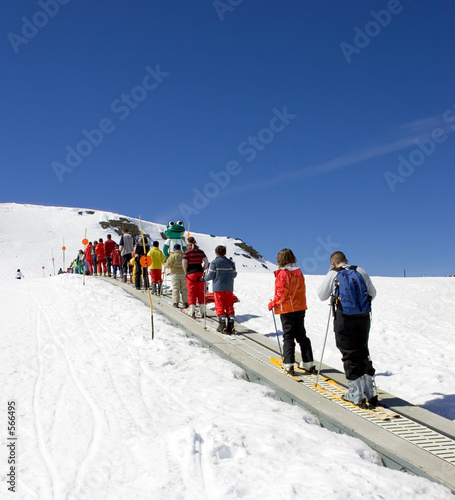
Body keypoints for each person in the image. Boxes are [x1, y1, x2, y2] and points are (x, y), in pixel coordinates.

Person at [318, 251, 377, 406]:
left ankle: (355, 393)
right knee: (362, 349)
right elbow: (373, 293)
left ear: (332, 263)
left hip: (344, 317)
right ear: (346, 260)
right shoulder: (359, 270)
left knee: (349, 351)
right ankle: (370, 392)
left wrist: (330, 273)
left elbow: (322, 295)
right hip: (363, 317)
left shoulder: (333, 274)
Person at [268, 249, 315, 376]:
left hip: (287, 308)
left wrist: (273, 303)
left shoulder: (283, 274)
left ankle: (289, 363)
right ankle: (308, 362)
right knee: (301, 334)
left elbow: (281, 293)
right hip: (300, 307)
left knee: (288, 336)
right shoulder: (298, 273)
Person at [203, 245, 237, 333]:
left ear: (216, 252)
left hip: (218, 287)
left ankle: (222, 325)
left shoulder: (214, 262)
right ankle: (231, 323)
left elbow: (211, 275)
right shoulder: (231, 263)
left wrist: (203, 279)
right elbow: (234, 274)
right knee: (229, 304)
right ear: (224, 252)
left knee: (220, 304)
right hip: (229, 287)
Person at [182, 236, 208, 318]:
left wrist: (186, 272)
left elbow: (184, 264)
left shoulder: (187, 253)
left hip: (190, 273)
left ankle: (192, 310)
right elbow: (206, 262)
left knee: (191, 292)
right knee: (200, 291)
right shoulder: (201, 252)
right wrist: (203, 269)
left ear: (188, 244)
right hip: (200, 273)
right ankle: (202, 310)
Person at [165, 244, 188, 308]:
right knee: (184, 288)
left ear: (174, 249)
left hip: (175, 274)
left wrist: (165, 263)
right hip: (183, 273)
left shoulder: (172, 256)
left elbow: (168, 265)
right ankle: (186, 302)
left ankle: (176, 302)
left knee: (176, 288)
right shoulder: (184, 255)